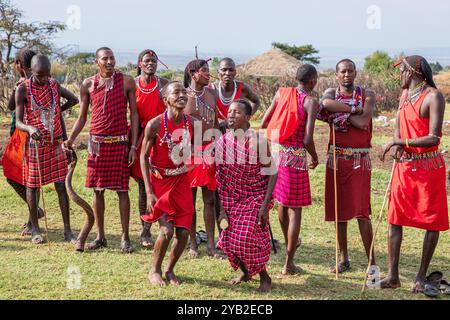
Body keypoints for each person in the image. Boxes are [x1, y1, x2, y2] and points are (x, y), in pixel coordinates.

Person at [380, 55, 449, 292]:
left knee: (432, 220)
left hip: (428, 167)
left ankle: (420, 277)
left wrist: (402, 141)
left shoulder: (433, 97)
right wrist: (398, 144)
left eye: (401, 71)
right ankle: (393, 276)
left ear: (411, 73)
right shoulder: (403, 96)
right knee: (394, 218)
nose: (399, 75)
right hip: (405, 167)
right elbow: (399, 123)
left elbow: (434, 137)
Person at [64, 47, 139, 253]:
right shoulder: (88, 84)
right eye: (104, 58)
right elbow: (82, 117)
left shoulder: (126, 81)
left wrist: (133, 146)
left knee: (122, 190)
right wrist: (70, 139)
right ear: (97, 61)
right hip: (97, 144)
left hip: (120, 142)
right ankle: (100, 236)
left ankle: (125, 237)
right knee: (97, 190)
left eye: (112, 58)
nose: (109, 62)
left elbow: (134, 116)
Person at [317, 59, 376, 273]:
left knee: (362, 212)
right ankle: (343, 259)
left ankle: (372, 262)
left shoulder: (367, 94)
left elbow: (363, 123)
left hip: (360, 160)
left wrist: (339, 115)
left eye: (350, 71)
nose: (347, 75)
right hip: (337, 159)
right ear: (337, 74)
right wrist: (352, 110)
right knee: (339, 211)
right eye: (343, 71)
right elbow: (324, 105)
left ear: (356, 73)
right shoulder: (331, 92)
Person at [261, 64, 319, 275]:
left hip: (277, 154)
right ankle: (289, 263)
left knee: (282, 205)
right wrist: (315, 156)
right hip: (295, 158)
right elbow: (307, 138)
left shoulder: (281, 93)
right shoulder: (310, 102)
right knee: (295, 210)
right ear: (313, 81)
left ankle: (289, 248)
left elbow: (266, 121)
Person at [14, 54, 78, 244]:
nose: (43, 79)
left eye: (46, 75)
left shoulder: (54, 85)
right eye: (39, 75)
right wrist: (30, 127)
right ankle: (35, 230)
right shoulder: (23, 89)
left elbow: (73, 99)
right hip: (35, 145)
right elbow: (18, 121)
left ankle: (68, 231)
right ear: (30, 72)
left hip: (56, 143)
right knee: (33, 187)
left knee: (60, 185)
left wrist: (56, 112)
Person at [216, 99, 277, 292]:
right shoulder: (222, 142)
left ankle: (265, 277)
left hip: (255, 196)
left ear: (248, 118)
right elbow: (221, 179)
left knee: (246, 238)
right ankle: (245, 271)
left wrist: (265, 205)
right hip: (231, 199)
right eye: (230, 111)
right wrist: (223, 210)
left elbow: (272, 172)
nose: (231, 115)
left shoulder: (257, 141)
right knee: (229, 240)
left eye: (237, 112)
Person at [140, 81, 195, 286]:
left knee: (182, 231)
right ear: (166, 100)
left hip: (181, 181)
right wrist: (148, 191)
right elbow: (143, 158)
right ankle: (154, 271)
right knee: (166, 230)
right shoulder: (154, 125)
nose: (182, 95)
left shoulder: (190, 123)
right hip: (160, 182)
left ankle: (170, 270)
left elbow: (191, 151)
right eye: (176, 92)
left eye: (184, 92)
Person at [183, 59, 222, 258]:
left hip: (210, 152)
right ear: (193, 73)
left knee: (210, 201)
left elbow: (216, 124)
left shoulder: (212, 94)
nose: (209, 74)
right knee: (189, 201)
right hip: (189, 153)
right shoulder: (182, 95)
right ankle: (192, 244)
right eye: (205, 71)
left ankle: (211, 245)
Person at [131, 49, 168, 249]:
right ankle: (145, 229)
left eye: (154, 60)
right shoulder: (132, 85)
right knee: (142, 186)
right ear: (139, 64)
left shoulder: (163, 84)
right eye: (147, 60)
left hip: (161, 139)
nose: (151, 63)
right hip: (139, 138)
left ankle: (164, 225)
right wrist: (133, 144)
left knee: (160, 184)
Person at [209, 57, 260, 121]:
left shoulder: (242, 88)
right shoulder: (210, 89)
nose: (227, 73)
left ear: (235, 72)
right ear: (218, 72)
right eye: (224, 70)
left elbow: (256, 101)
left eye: (231, 70)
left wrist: (246, 117)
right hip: (215, 129)